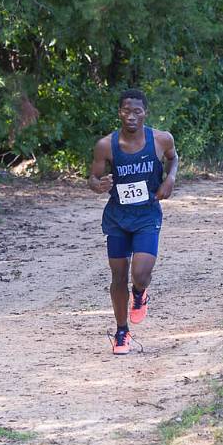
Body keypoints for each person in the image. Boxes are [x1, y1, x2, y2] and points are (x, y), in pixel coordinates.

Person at [88, 89, 178, 355]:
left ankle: (140, 294)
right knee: (118, 276)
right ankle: (121, 332)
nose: (131, 116)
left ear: (145, 114)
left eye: (137, 111)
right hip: (117, 217)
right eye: (126, 111)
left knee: (140, 274)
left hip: (147, 215)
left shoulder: (161, 139)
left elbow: (174, 159)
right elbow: (92, 179)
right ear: (119, 113)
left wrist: (170, 179)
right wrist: (99, 185)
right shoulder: (106, 145)